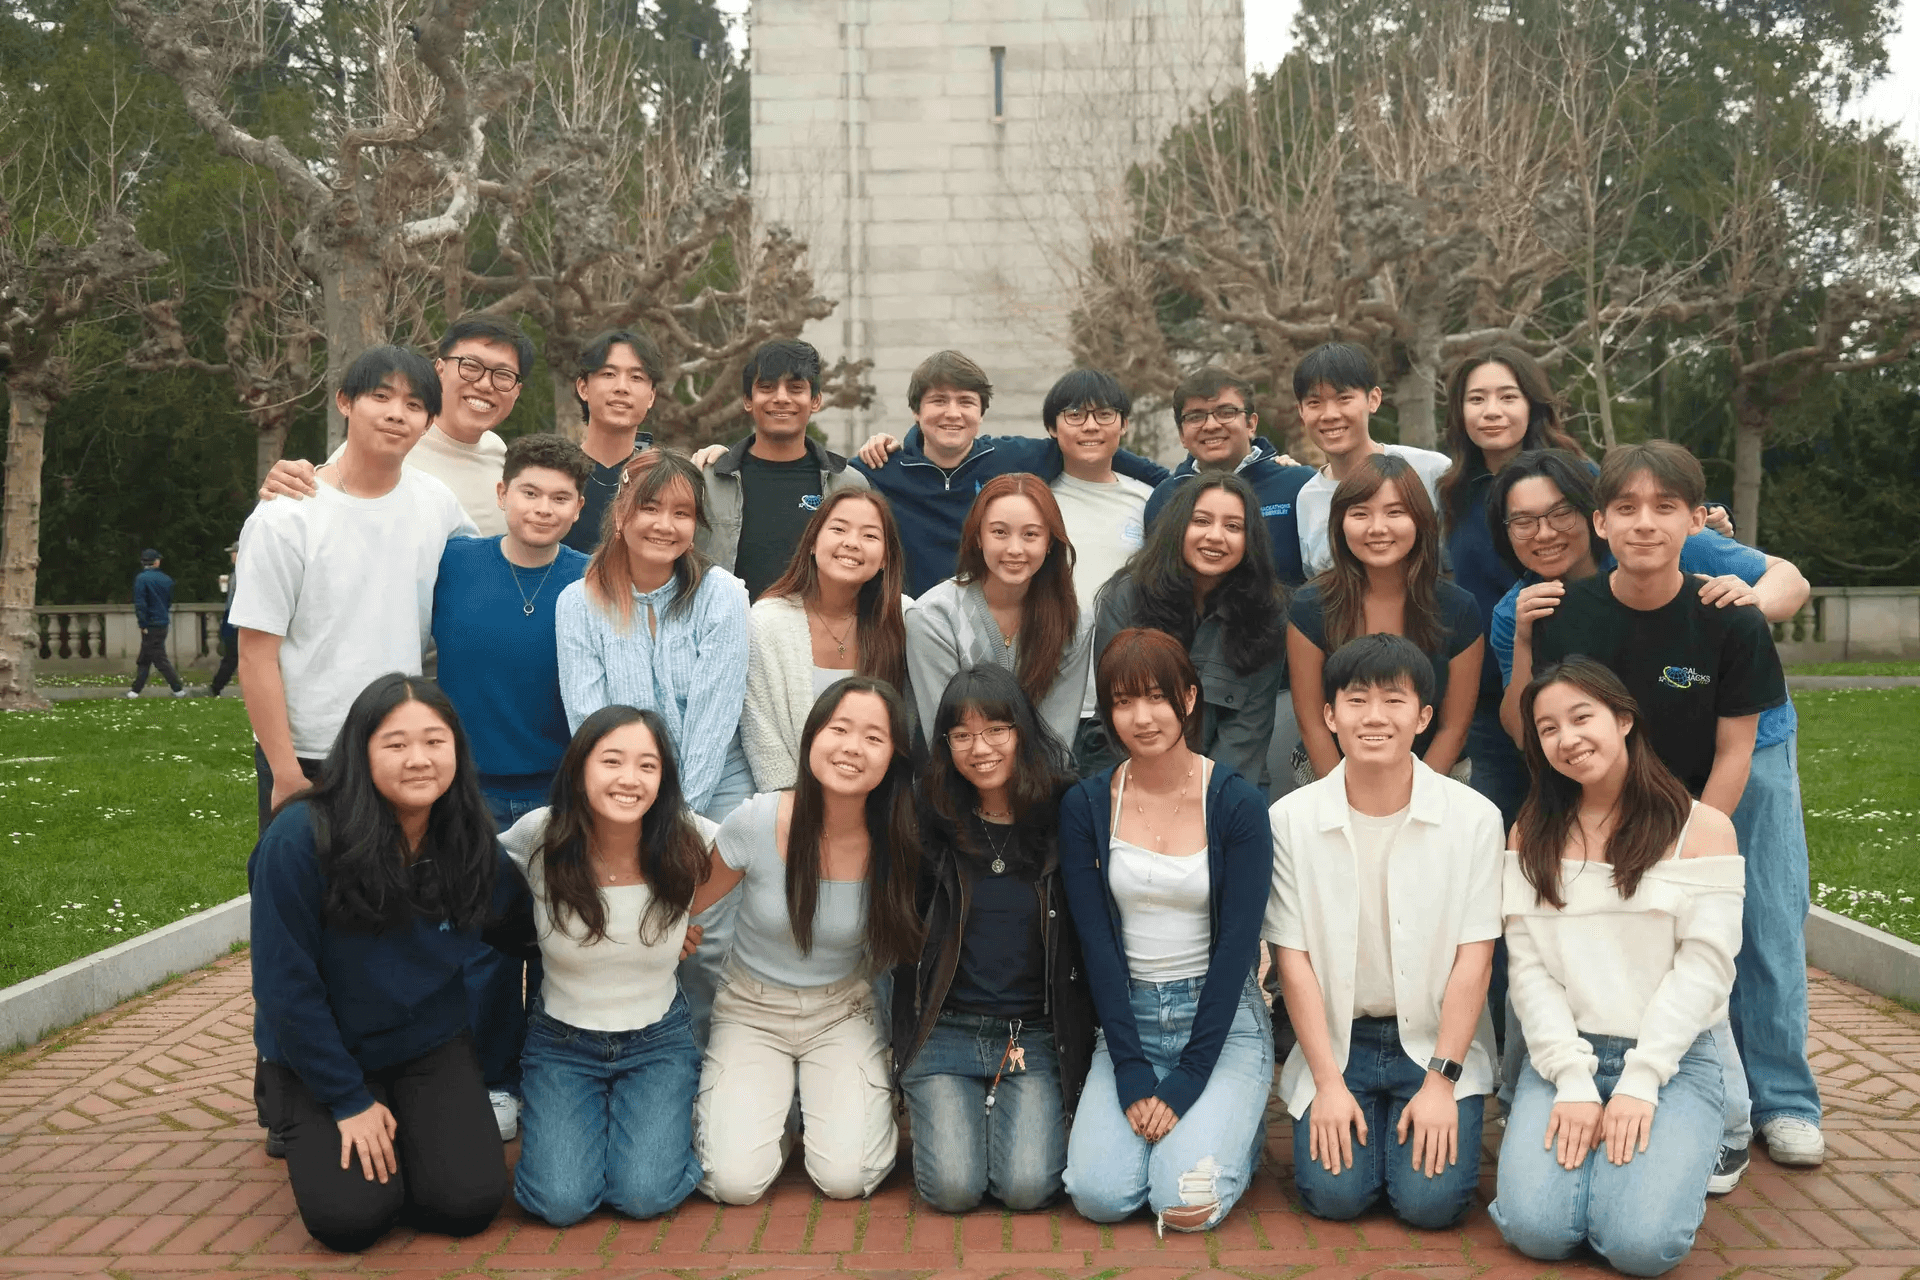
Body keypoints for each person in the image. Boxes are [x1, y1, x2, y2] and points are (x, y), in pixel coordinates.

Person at [1522, 442, 1816, 1176]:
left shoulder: (1728, 615)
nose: (1644, 523)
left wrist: (1691, 845)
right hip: (1606, 813)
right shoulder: (1569, 614)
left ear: (1696, 519)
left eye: (1664, 508)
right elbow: (1555, 728)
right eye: (1625, 509)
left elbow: (1735, 749)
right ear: (1600, 524)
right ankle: (1633, 1093)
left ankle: (1777, 1107)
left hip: (1700, 809)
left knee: (1751, 934)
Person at [248, 674, 524, 1253]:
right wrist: (348, 1100)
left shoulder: (467, 836)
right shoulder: (301, 838)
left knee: (467, 1203)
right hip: (324, 1054)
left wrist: (645, 935)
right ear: (361, 751)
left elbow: (530, 928)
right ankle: (295, 1105)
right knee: (352, 1221)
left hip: (427, 1045)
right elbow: (284, 986)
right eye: (396, 745)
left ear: (456, 749)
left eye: (434, 741)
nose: (418, 760)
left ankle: (411, 1127)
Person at [1488, 659, 1744, 1277]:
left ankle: (1692, 1152)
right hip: (1563, 1056)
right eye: (1547, 728)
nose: (1567, 739)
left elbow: (1704, 971)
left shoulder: (1703, 830)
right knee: (1538, 1231)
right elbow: (1529, 975)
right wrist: (1574, 1084)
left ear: (1624, 718)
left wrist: (1641, 1080)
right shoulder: (1532, 833)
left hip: (1676, 1061)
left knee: (1637, 1246)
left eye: (1582, 717)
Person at [1266, 633, 1502, 1229]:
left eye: (1394, 701)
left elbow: (1474, 961)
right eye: (1357, 700)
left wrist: (1442, 1083)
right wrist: (1326, 1082)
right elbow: (1292, 963)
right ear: (1329, 715)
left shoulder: (1473, 818)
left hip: (1433, 1044)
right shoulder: (1290, 821)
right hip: (1338, 1044)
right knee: (1334, 1199)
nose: (1375, 717)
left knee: (1431, 1207)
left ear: (1424, 716)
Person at [1056, 628, 1273, 1234]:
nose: (1142, 717)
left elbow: (1236, 950)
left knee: (1180, 1204)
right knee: (1099, 1197)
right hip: (1131, 1021)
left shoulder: (1236, 804)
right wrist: (1130, 1069)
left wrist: (1187, 1080)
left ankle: (1235, 1131)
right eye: (1123, 701)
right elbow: (1096, 944)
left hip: (1222, 1021)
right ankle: (1205, 1130)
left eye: (1156, 696)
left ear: (1189, 697)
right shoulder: (1087, 806)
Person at [693, 677, 923, 1204]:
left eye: (873, 737)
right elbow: (686, 902)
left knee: (847, 1179)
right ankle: (774, 1107)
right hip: (751, 1010)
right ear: (812, 737)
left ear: (893, 756)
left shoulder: (900, 839)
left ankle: (833, 1099)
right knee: (733, 1184)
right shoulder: (757, 820)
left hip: (843, 1010)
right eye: (839, 729)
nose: (851, 748)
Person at [232, 346, 477, 832]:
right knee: (301, 896)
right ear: (345, 402)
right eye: (380, 396)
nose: (395, 414)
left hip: (398, 747)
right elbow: (255, 653)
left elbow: (482, 581)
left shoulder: (437, 504)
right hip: (307, 751)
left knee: (391, 898)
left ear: (428, 423)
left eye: (413, 405)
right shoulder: (286, 514)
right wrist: (285, 773)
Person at [491, 707, 715, 1226]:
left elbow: (750, 847)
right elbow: (483, 883)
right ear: (579, 770)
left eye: (647, 766)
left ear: (664, 777)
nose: (629, 780)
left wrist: (682, 923)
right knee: (560, 1203)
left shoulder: (684, 835)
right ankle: (602, 1126)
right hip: (562, 1044)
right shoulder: (540, 836)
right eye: (611, 761)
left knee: (644, 1197)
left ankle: (661, 1124)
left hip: (658, 1040)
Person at [431, 433, 593, 1141]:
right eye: (530, 491)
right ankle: (492, 1080)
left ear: (579, 507)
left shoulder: (592, 579)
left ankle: (549, 1078)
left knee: (562, 942)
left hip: (563, 790)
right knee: (484, 951)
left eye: (560, 497)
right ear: (502, 494)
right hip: (470, 790)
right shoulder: (453, 562)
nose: (543, 507)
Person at [892, 664, 1092, 1213]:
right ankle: (967, 1108)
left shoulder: (1063, 816)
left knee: (1027, 1189)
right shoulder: (929, 820)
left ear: (1021, 732)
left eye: (995, 730)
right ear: (946, 744)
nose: (979, 748)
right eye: (961, 735)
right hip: (946, 1032)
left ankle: (998, 1111)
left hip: (1031, 1036)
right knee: (954, 1191)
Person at [850, 350, 1168, 597]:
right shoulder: (882, 469)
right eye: (938, 401)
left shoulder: (1011, 457)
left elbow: (1086, 443)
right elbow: (828, 478)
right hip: (911, 625)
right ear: (916, 412)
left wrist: (1173, 484)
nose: (952, 413)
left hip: (998, 626)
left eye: (966, 402)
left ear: (981, 414)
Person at [554, 448, 753, 823]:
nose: (665, 525)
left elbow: (714, 720)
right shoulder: (578, 603)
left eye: (682, 513)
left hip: (717, 787)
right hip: (621, 787)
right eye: (650, 508)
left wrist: (680, 818)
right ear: (619, 514)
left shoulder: (721, 595)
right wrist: (629, 801)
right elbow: (590, 722)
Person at [1435, 348, 1590, 826]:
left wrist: (1705, 519)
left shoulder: (1574, 476)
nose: (1492, 410)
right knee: (1498, 832)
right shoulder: (1455, 490)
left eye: (1508, 396)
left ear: (1533, 405)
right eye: (1476, 399)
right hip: (1491, 697)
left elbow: (1637, 516)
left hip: (1578, 682)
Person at [1083, 473, 1288, 791]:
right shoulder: (1126, 598)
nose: (1216, 537)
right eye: (1201, 521)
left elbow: (1248, 732)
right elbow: (1118, 712)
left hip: (1225, 785)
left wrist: (1204, 805)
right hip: (1130, 776)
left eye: (1233, 526)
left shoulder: (1265, 612)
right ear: (1178, 527)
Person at [1288, 454, 1482, 781]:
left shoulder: (1457, 608)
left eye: (1395, 512)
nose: (1377, 528)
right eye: (1360, 513)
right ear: (1340, 523)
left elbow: (1454, 728)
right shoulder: (1311, 606)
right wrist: (1347, 800)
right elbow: (1312, 724)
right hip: (1331, 775)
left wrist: (1413, 800)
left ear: (1421, 520)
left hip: (1435, 775)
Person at [257, 316, 537, 536]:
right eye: (471, 366)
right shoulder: (391, 442)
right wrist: (289, 485)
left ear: (517, 390)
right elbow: (321, 503)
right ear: (439, 369)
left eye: (503, 375)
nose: (485, 384)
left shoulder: (501, 454)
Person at [905, 474, 1092, 750]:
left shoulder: (1073, 623)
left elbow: (1056, 741)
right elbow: (948, 738)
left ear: (1050, 543)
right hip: (954, 784)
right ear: (978, 537)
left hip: (1040, 786)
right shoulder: (933, 618)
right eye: (999, 532)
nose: (1015, 549)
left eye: (1031, 534)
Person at [742, 489, 909, 790]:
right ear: (812, 542)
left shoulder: (903, 618)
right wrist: (794, 806)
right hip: (790, 801)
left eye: (870, 536)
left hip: (879, 799)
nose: (851, 543)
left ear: (885, 558)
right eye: (838, 529)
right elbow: (760, 730)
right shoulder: (768, 621)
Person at [691, 339, 870, 600]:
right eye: (767, 387)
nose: (781, 398)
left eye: (796, 388)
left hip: (819, 635)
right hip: (729, 635)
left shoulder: (849, 485)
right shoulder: (708, 480)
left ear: (816, 400)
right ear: (747, 400)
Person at [1142, 366, 1315, 587]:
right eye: (1196, 417)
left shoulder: (1298, 486)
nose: (1211, 425)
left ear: (1251, 423)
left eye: (1226, 413)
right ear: (1182, 435)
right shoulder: (1164, 498)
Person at [1291, 343, 1452, 577]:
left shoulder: (1431, 470)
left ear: (1373, 399)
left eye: (1344, 398)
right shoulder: (1307, 499)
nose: (1330, 415)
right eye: (1314, 403)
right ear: (1301, 411)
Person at [565, 329, 664, 553]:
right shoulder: (555, 473)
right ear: (583, 388)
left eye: (636, 377)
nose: (622, 387)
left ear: (651, 397)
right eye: (609, 374)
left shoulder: (662, 480)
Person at [128, 548, 188, 698]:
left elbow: (141, 603)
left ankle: (177, 689)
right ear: (156, 562)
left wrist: (142, 623)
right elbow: (168, 601)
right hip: (161, 621)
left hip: (150, 624)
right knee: (146, 657)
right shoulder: (166, 579)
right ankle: (135, 690)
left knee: (157, 658)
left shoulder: (141, 579)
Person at [207, 543, 241, 698]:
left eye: (233, 553)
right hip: (231, 616)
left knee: (232, 656)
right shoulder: (235, 573)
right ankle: (215, 687)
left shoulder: (245, 573)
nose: (231, 556)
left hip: (238, 619)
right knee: (231, 656)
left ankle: (216, 687)